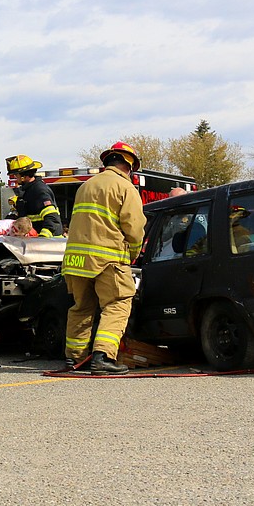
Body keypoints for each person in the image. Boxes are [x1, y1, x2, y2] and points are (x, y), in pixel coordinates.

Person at [61, 141, 146, 375]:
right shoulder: (125, 188)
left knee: (81, 308)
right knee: (117, 304)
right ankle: (103, 356)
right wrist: (133, 253)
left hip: (76, 261)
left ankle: (74, 359)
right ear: (129, 165)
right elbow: (135, 227)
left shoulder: (85, 187)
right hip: (108, 259)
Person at [5, 155, 63, 237]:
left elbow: (52, 219)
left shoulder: (39, 190)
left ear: (23, 176)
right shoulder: (28, 190)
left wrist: (42, 239)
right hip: (35, 242)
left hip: (49, 243)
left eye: (16, 175)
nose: (15, 178)